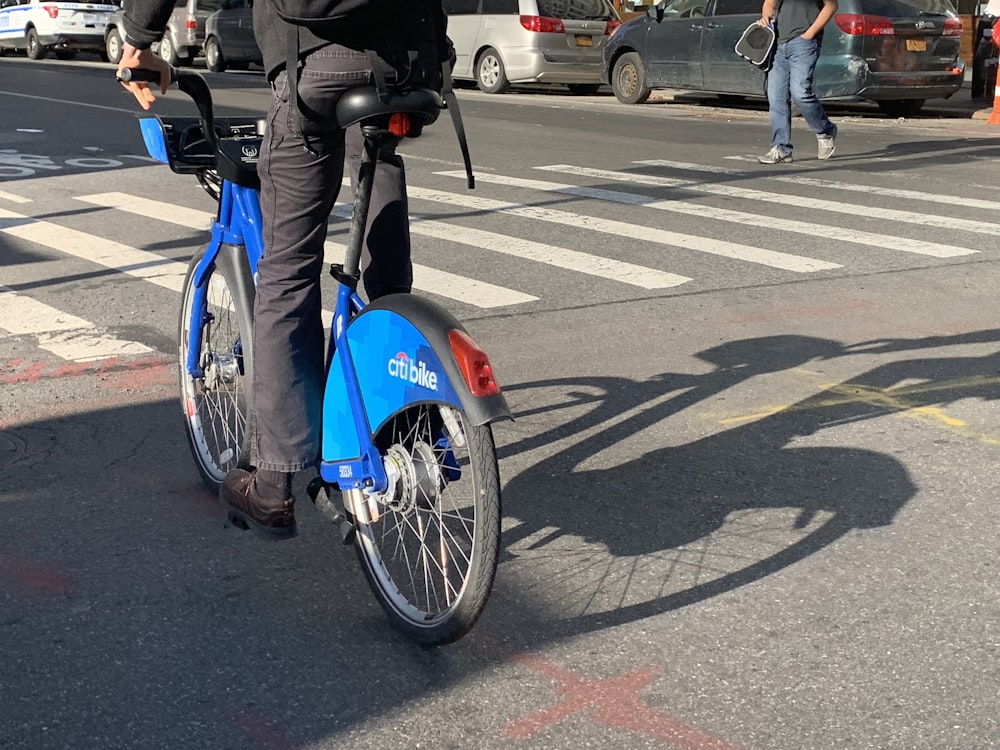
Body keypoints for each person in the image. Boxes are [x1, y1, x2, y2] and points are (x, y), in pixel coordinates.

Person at [117, 0, 449, 539]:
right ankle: (403, 401)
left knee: (287, 271)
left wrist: (139, 35)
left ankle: (273, 483)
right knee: (379, 180)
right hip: (413, 60)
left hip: (317, 62)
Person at [756, 0, 838, 164]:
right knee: (776, 97)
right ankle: (781, 148)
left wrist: (810, 33)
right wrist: (766, 18)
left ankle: (825, 130)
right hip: (777, 44)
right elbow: (769, 4)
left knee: (800, 93)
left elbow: (831, 5)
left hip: (803, 44)